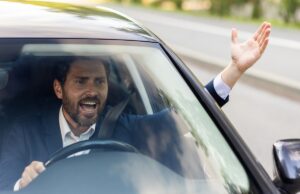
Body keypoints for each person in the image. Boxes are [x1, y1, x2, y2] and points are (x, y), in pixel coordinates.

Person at [0, 22, 271, 191]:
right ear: (59, 89)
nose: (92, 90)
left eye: (99, 81)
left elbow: (187, 116)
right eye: (81, 81)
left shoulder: (126, 127)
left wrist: (234, 70)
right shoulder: (23, 132)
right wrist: (20, 185)